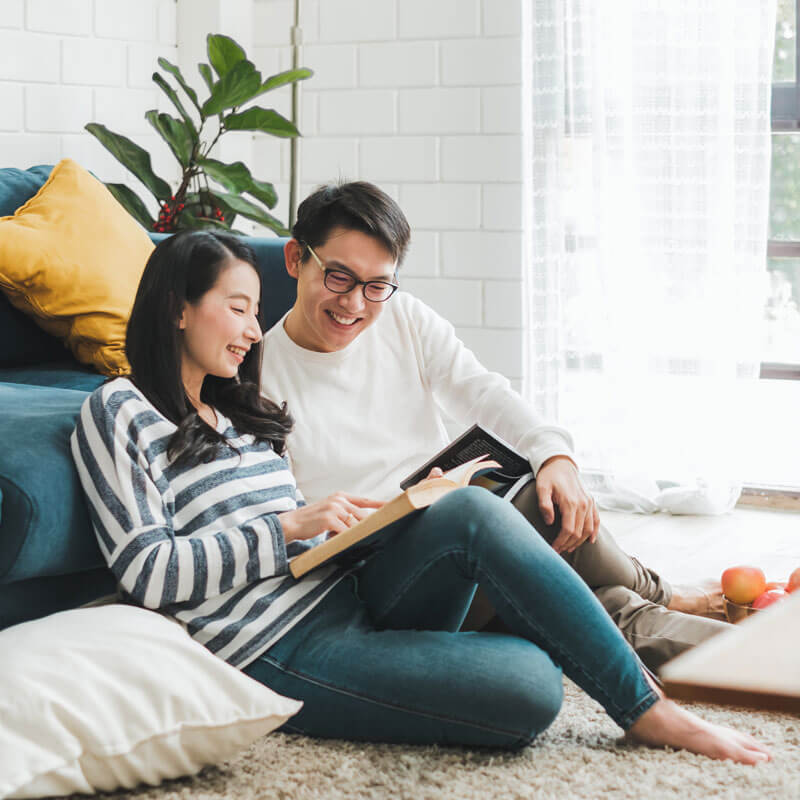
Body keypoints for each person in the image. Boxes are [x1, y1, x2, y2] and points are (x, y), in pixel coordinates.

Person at [71, 230, 769, 764]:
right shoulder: (119, 410)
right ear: (177, 310)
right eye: (239, 309)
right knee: (532, 689)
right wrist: (288, 526)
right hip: (276, 648)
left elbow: (302, 543)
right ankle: (664, 635)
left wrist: (356, 526)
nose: (255, 330)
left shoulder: (245, 411)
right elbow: (147, 572)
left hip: (343, 595)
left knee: (470, 507)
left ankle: (646, 708)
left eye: (257, 312)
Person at [259, 181, 729, 671]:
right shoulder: (258, 381)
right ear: (296, 259)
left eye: (377, 285)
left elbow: (481, 391)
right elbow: (291, 533)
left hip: (463, 538)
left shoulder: (402, 317)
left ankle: (771, 653)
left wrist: (555, 455)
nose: (355, 304)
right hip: (380, 580)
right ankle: (668, 593)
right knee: (530, 509)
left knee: (593, 602)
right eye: (338, 277)